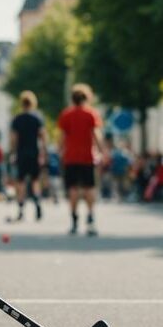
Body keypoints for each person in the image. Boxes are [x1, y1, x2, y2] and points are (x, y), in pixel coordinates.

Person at [57, 84, 103, 235]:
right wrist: (101, 151)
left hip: (70, 157)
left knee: (73, 188)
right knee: (89, 188)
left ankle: (74, 219)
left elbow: (62, 136)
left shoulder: (66, 115)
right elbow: (96, 134)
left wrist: (60, 151)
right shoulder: (91, 114)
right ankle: (90, 217)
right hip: (87, 157)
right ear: (87, 97)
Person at [10, 91, 46, 221]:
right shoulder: (37, 119)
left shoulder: (17, 119)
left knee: (20, 181)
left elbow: (14, 138)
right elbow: (42, 138)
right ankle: (37, 202)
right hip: (34, 153)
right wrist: (43, 154)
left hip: (21, 153)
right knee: (35, 180)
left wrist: (13, 153)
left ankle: (21, 209)